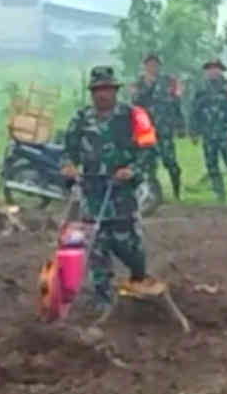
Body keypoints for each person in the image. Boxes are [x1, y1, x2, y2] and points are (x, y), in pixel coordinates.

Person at [60, 65, 163, 314]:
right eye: (98, 90)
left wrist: (132, 170)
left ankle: (139, 278)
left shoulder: (133, 116)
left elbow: (149, 151)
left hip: (122, 194)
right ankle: (103, 299)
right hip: (92, 192)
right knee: (96, 246)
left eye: (107, 89)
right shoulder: (81, 118)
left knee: (129, 247)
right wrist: (69, 167)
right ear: (92, 92)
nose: (102, 94)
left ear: (115, 90)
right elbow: (67, 151)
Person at [129, 53, 184, 201]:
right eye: (149, 64)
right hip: (146, 130)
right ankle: (153, 196)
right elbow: (135, 103)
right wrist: (148, 85)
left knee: (171, 163)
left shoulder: (169, 82)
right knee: (148, 164)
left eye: (155, 64)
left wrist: (180, 125)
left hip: (165, 129)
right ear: (144, 66)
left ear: (160, 66)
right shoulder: (138, 84)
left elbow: (176, 104)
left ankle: (177, 193)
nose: (152, 67)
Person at [192, 58, 227, 204]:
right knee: (211, 165)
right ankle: (220, 197)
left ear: (221, 70)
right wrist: (194, 131)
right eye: (210, 69)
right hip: (208, 134)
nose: (213, 71)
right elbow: (195, 111)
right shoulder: (201, 89)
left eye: (216, 68)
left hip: (226, 133)